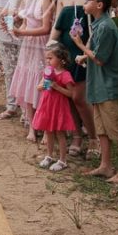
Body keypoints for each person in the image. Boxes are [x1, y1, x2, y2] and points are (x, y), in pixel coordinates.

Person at [72, 0, 118, 184]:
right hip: (100, 85)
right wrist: (85, 56)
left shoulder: (106, 27)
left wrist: (80, 45)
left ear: (99, 5)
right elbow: (99, 53)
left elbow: (100, 59)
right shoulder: (99, 24)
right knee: (101, 128)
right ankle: (105, 165)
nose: (85, 2)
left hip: (111, 86)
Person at [50, 0, 98, 157]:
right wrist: (50, 48)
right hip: (65, 51)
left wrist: (86, 51)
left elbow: (97, 26)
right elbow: (57, 27)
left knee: (79, 97)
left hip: (83, 51)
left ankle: (94, 138)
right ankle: (77, 135)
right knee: (67, 95)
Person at [10, 0, 55, 141]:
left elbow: (46, 28)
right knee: (27, 83)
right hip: (28, 45)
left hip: (41, 45)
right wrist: (18, 30)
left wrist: (24, 32)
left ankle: (45, 128)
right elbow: (25, 22)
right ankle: (32, 126)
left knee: (41, 84)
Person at [31, 44, 77, 172]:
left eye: (50, 58)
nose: (48, 61)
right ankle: (49, 156)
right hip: (47, 105)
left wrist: (57, 87)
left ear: (61, 59)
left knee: (59, 133)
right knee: (48, 132)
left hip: (59, 107)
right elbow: (40, 86)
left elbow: (71, 94)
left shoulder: (65, 74)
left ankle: (63, 160)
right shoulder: (47, 71)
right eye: (47, 58)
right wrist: (42, 85)